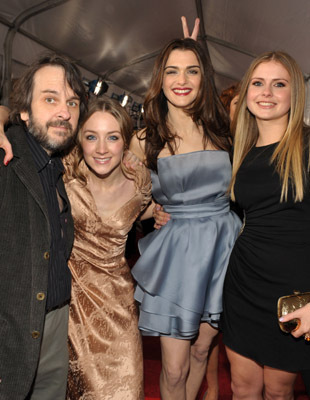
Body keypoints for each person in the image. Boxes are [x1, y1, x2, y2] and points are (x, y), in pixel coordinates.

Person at [130, 37, 241, 400]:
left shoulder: (224, 129)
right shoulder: (144, 138)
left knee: (201, 351)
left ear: (203, 77)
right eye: (172, 70)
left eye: (192, 70)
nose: (182, 80)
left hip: (224, 250)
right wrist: (150, 212)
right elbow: (124, 203)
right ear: (159, 79)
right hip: (178, 256)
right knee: (174, 369)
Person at [221, 50, 310, 399]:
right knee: (242, 387)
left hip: (292, 291)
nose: (267, 93)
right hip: (244, 284)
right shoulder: (241, 149)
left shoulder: (307, 146)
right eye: (258, 83)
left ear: (295, 94)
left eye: (279, 84)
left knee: (277, 391)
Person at [0, 53, 87, 399]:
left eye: (72, 102)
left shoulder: (57, 165)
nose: (64, 112)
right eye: (50, 99)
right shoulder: (7, 158)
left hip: (54, 327)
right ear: (23, 111)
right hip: (11, 333)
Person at [63, 97, 151, 399]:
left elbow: (145, 209)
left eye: (112, 137)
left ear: (124, 141)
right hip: (69, 308)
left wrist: (160, 213)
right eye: (91, 137)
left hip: (118, 309)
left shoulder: (140, 181)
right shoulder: (64, 175)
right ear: (79, 139)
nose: (101, 149)